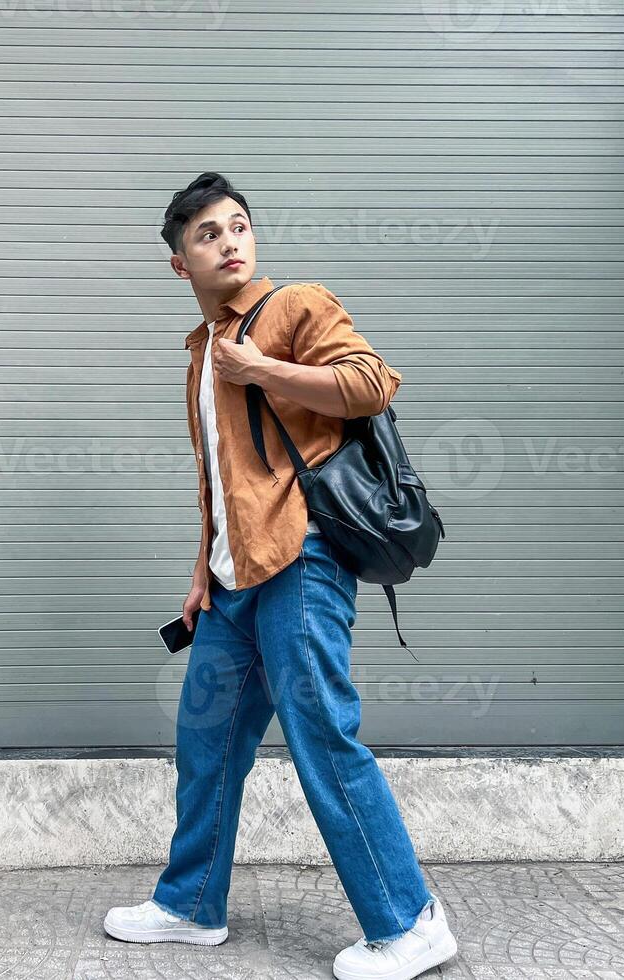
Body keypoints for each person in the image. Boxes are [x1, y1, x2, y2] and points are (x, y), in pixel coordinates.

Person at [102, 172, 459, 980]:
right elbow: (219, 474)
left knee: (321, 738)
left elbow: (372, 383)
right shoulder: (200, 351)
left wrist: (265, 371)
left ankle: (410, 922)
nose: (228, 241)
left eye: (237, 226)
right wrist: (201, 570)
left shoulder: (293, 307)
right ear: (178, 263)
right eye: (206, 234)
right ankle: (191, 906)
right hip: (234, 581)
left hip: (302, 561)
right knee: (206, 742)